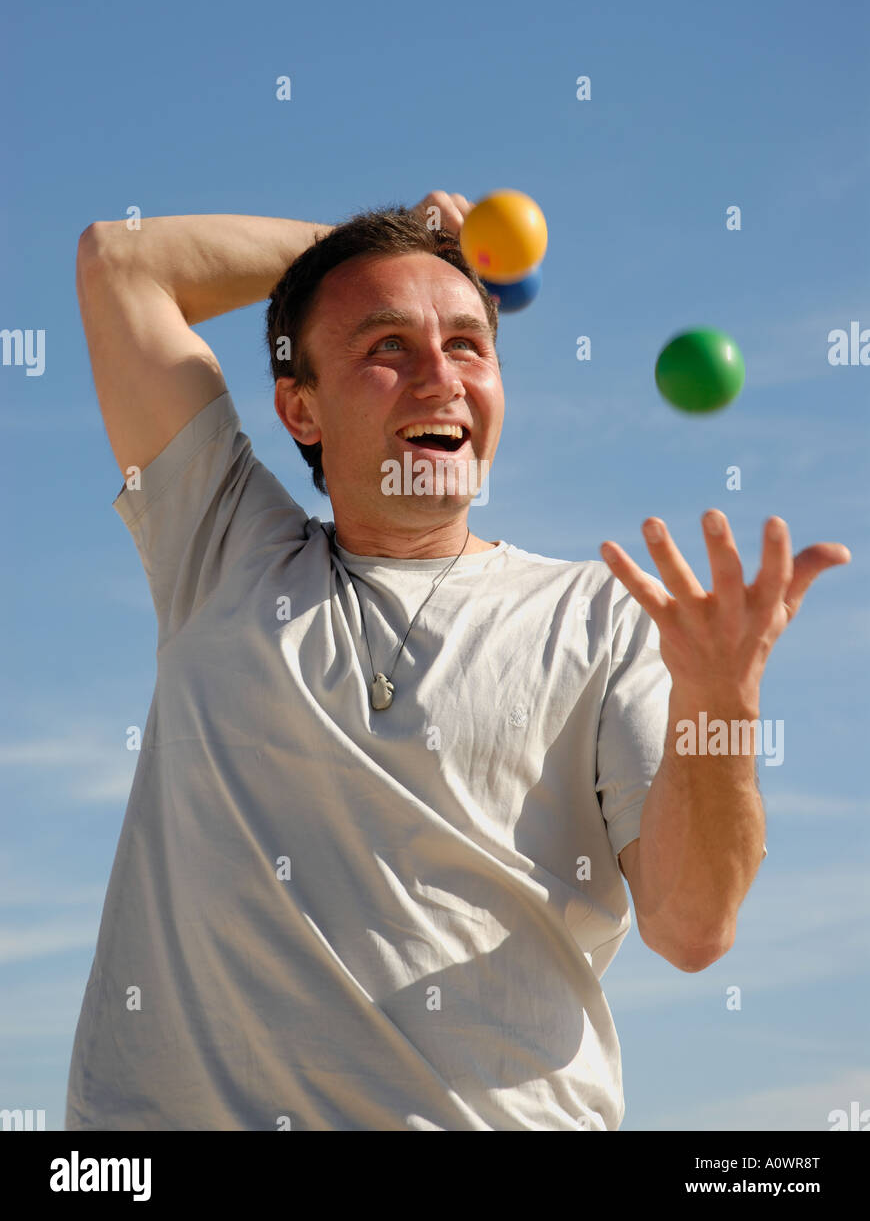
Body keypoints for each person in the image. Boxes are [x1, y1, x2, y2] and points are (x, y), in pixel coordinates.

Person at [65, 191, 849, 1131]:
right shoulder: (220, 549)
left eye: (470, 343)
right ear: (299, 407)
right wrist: (394, 250)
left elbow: (691, 927)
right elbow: (122, 264)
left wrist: (723, 700)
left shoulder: (604, 616)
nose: (440, 377)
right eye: (386, 347)